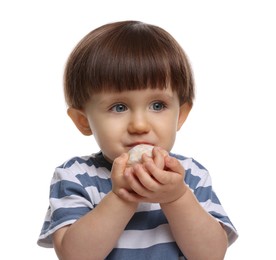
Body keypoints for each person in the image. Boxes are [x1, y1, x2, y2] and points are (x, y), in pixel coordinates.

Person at [37, 20, 238, 259]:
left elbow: (211, 254)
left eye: (157, 105)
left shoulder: (190, 176)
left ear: (180, 115)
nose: (140, 125)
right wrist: (122, 197)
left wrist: (177, 198)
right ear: (83, 121)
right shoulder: (75, 176)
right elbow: (74, 255)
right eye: (119, 107)